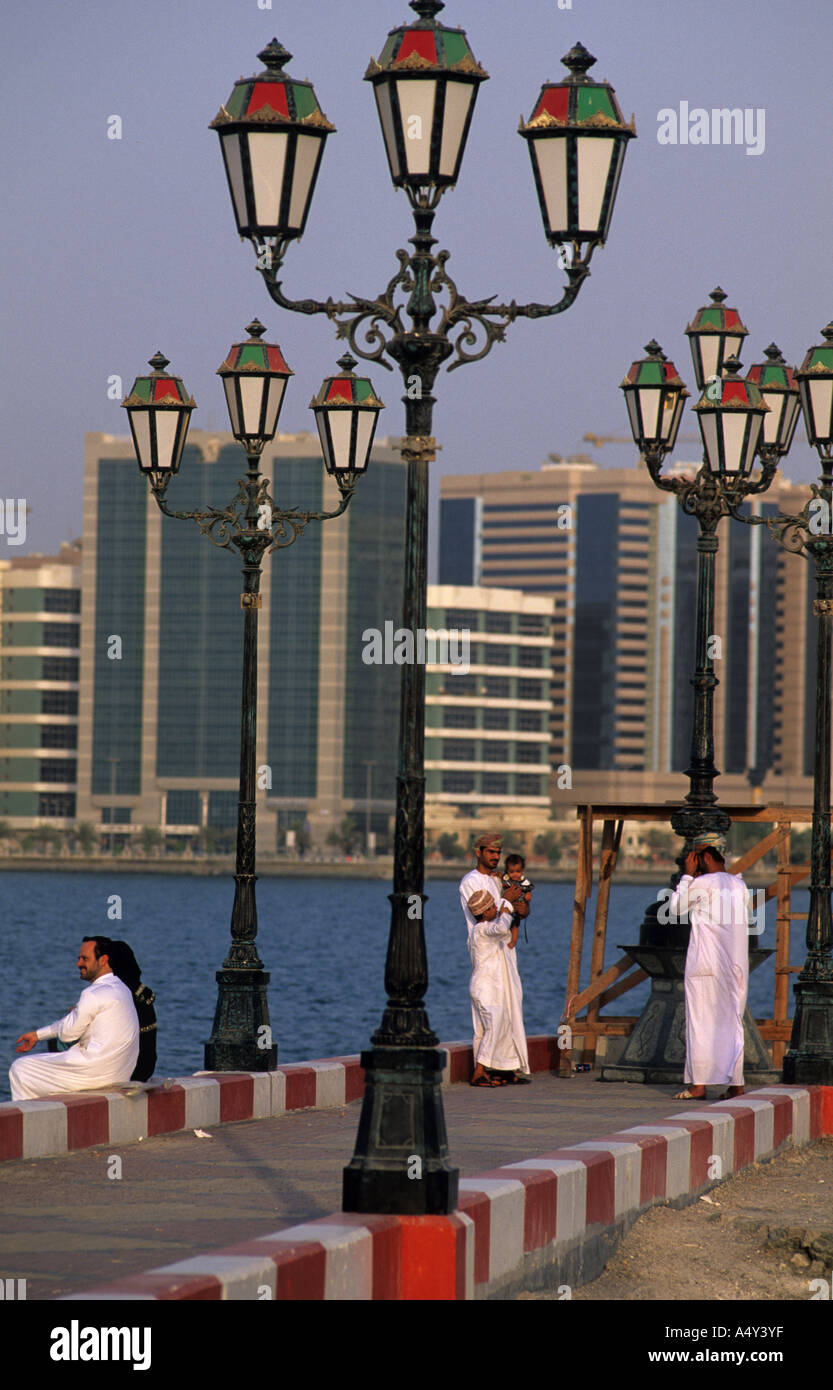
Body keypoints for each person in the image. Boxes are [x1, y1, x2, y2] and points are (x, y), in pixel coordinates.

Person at [666, 834, 749, 1100]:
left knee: (701, 1023)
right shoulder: (740, 885)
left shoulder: (702, 883)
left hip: (706, 966)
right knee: (733, 1023)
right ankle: (736, 1084)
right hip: (736, 967)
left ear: (705, 859)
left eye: (696, 860)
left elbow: (676, 908)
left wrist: (688, 876)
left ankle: (698, 1085)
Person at [9, 937, 140, 1101]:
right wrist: (38, 1035)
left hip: (95, 1073)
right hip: (120, 1072)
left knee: (21, 1068)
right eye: (78, 958)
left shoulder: (92, 994)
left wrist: (74, 1016)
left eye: (85, 959)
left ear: (103, 960)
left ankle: (29, 1125)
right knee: (40, 1071)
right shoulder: (122, 989)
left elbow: (67, 1034)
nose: (79, 964)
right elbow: (73, 1020)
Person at [460, 832, 531, 1086]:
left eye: (498, 853)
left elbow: (513, 907)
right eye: (490, 852)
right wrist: (507, 902)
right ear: (477, 852)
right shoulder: (470, 881)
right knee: (489, 1016)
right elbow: (484, 913)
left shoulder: (501, 879)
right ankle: (483, 1069)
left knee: (511, 1009)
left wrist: (522, 908)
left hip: (506, 953)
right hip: (487, 955)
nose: (495, 857)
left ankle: (507, 1066)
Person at [502, 853, 534, 941]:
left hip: (519, 905)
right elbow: (500, 877)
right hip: (508, 907)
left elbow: (528, 890)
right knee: (508, 924)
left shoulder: (524, 882)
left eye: (518, 871)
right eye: (511, 872)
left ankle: (513, 941)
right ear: (507, 871)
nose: (515, 874)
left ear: (522, 870)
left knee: (515, 926)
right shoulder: (506, 879)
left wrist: (528, 897)